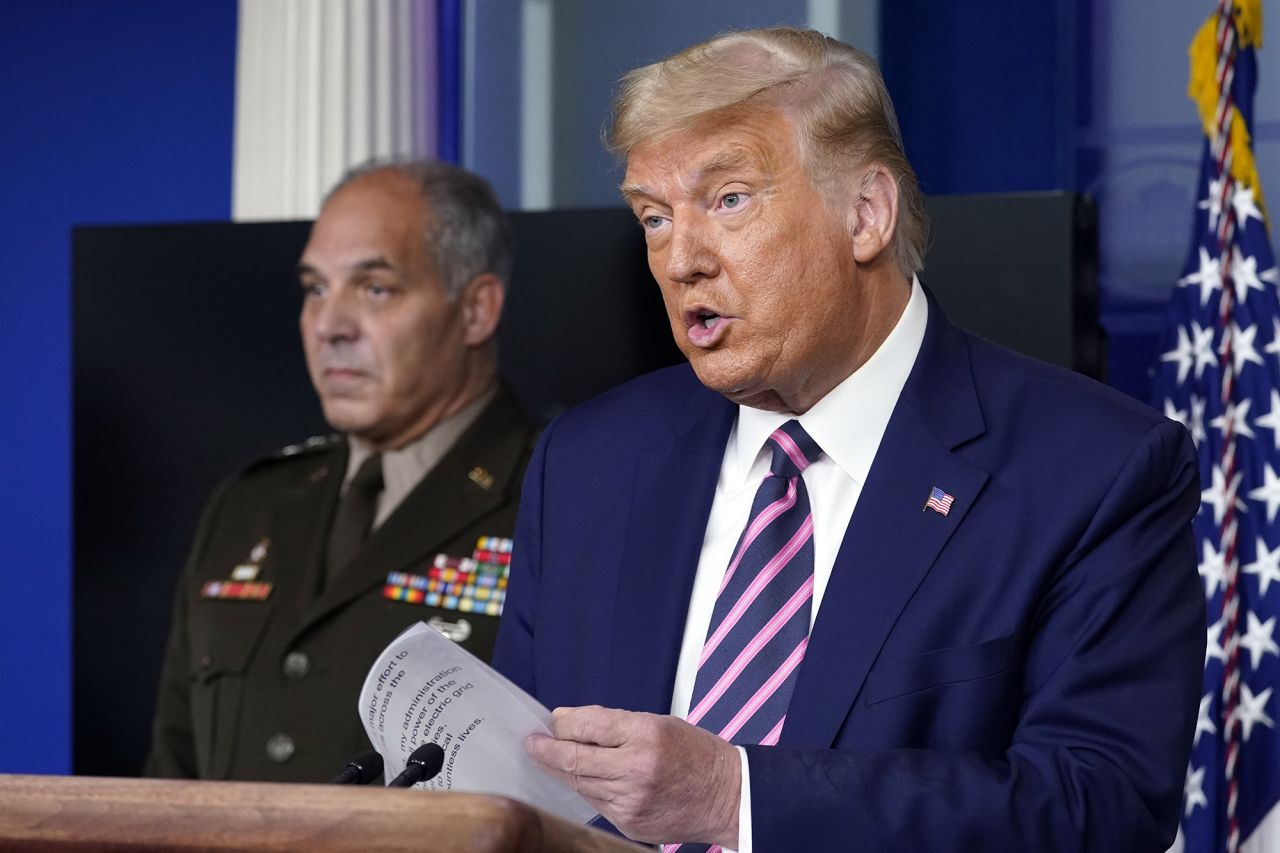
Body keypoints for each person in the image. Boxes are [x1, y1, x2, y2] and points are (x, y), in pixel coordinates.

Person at [492, 27, 1205, 852]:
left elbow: (1099, 808)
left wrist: (737, 796)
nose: (680, 259)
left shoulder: (1095, 471)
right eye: (653, 216)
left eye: (728, 199)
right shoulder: (587, 462)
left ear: (865, 215)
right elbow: (515, 786)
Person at [147, 160, 535, 782]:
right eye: (315, 289)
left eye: (375, 288)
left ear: (476, 311)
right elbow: (171, 780)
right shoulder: (248, 505)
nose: (329, 326)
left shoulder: (560, 496)